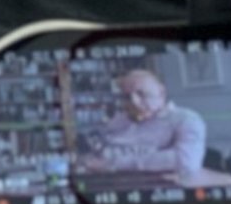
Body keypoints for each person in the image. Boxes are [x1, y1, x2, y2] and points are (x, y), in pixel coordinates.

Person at [80, 66, 212, 191]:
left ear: (161, 92)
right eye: (126, 97)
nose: (134, 102)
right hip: (109, 187)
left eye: (141, 94)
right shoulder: (119, 120)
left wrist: (113, 164)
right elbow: (95, 150)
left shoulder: (186, 119)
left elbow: (186, 162)